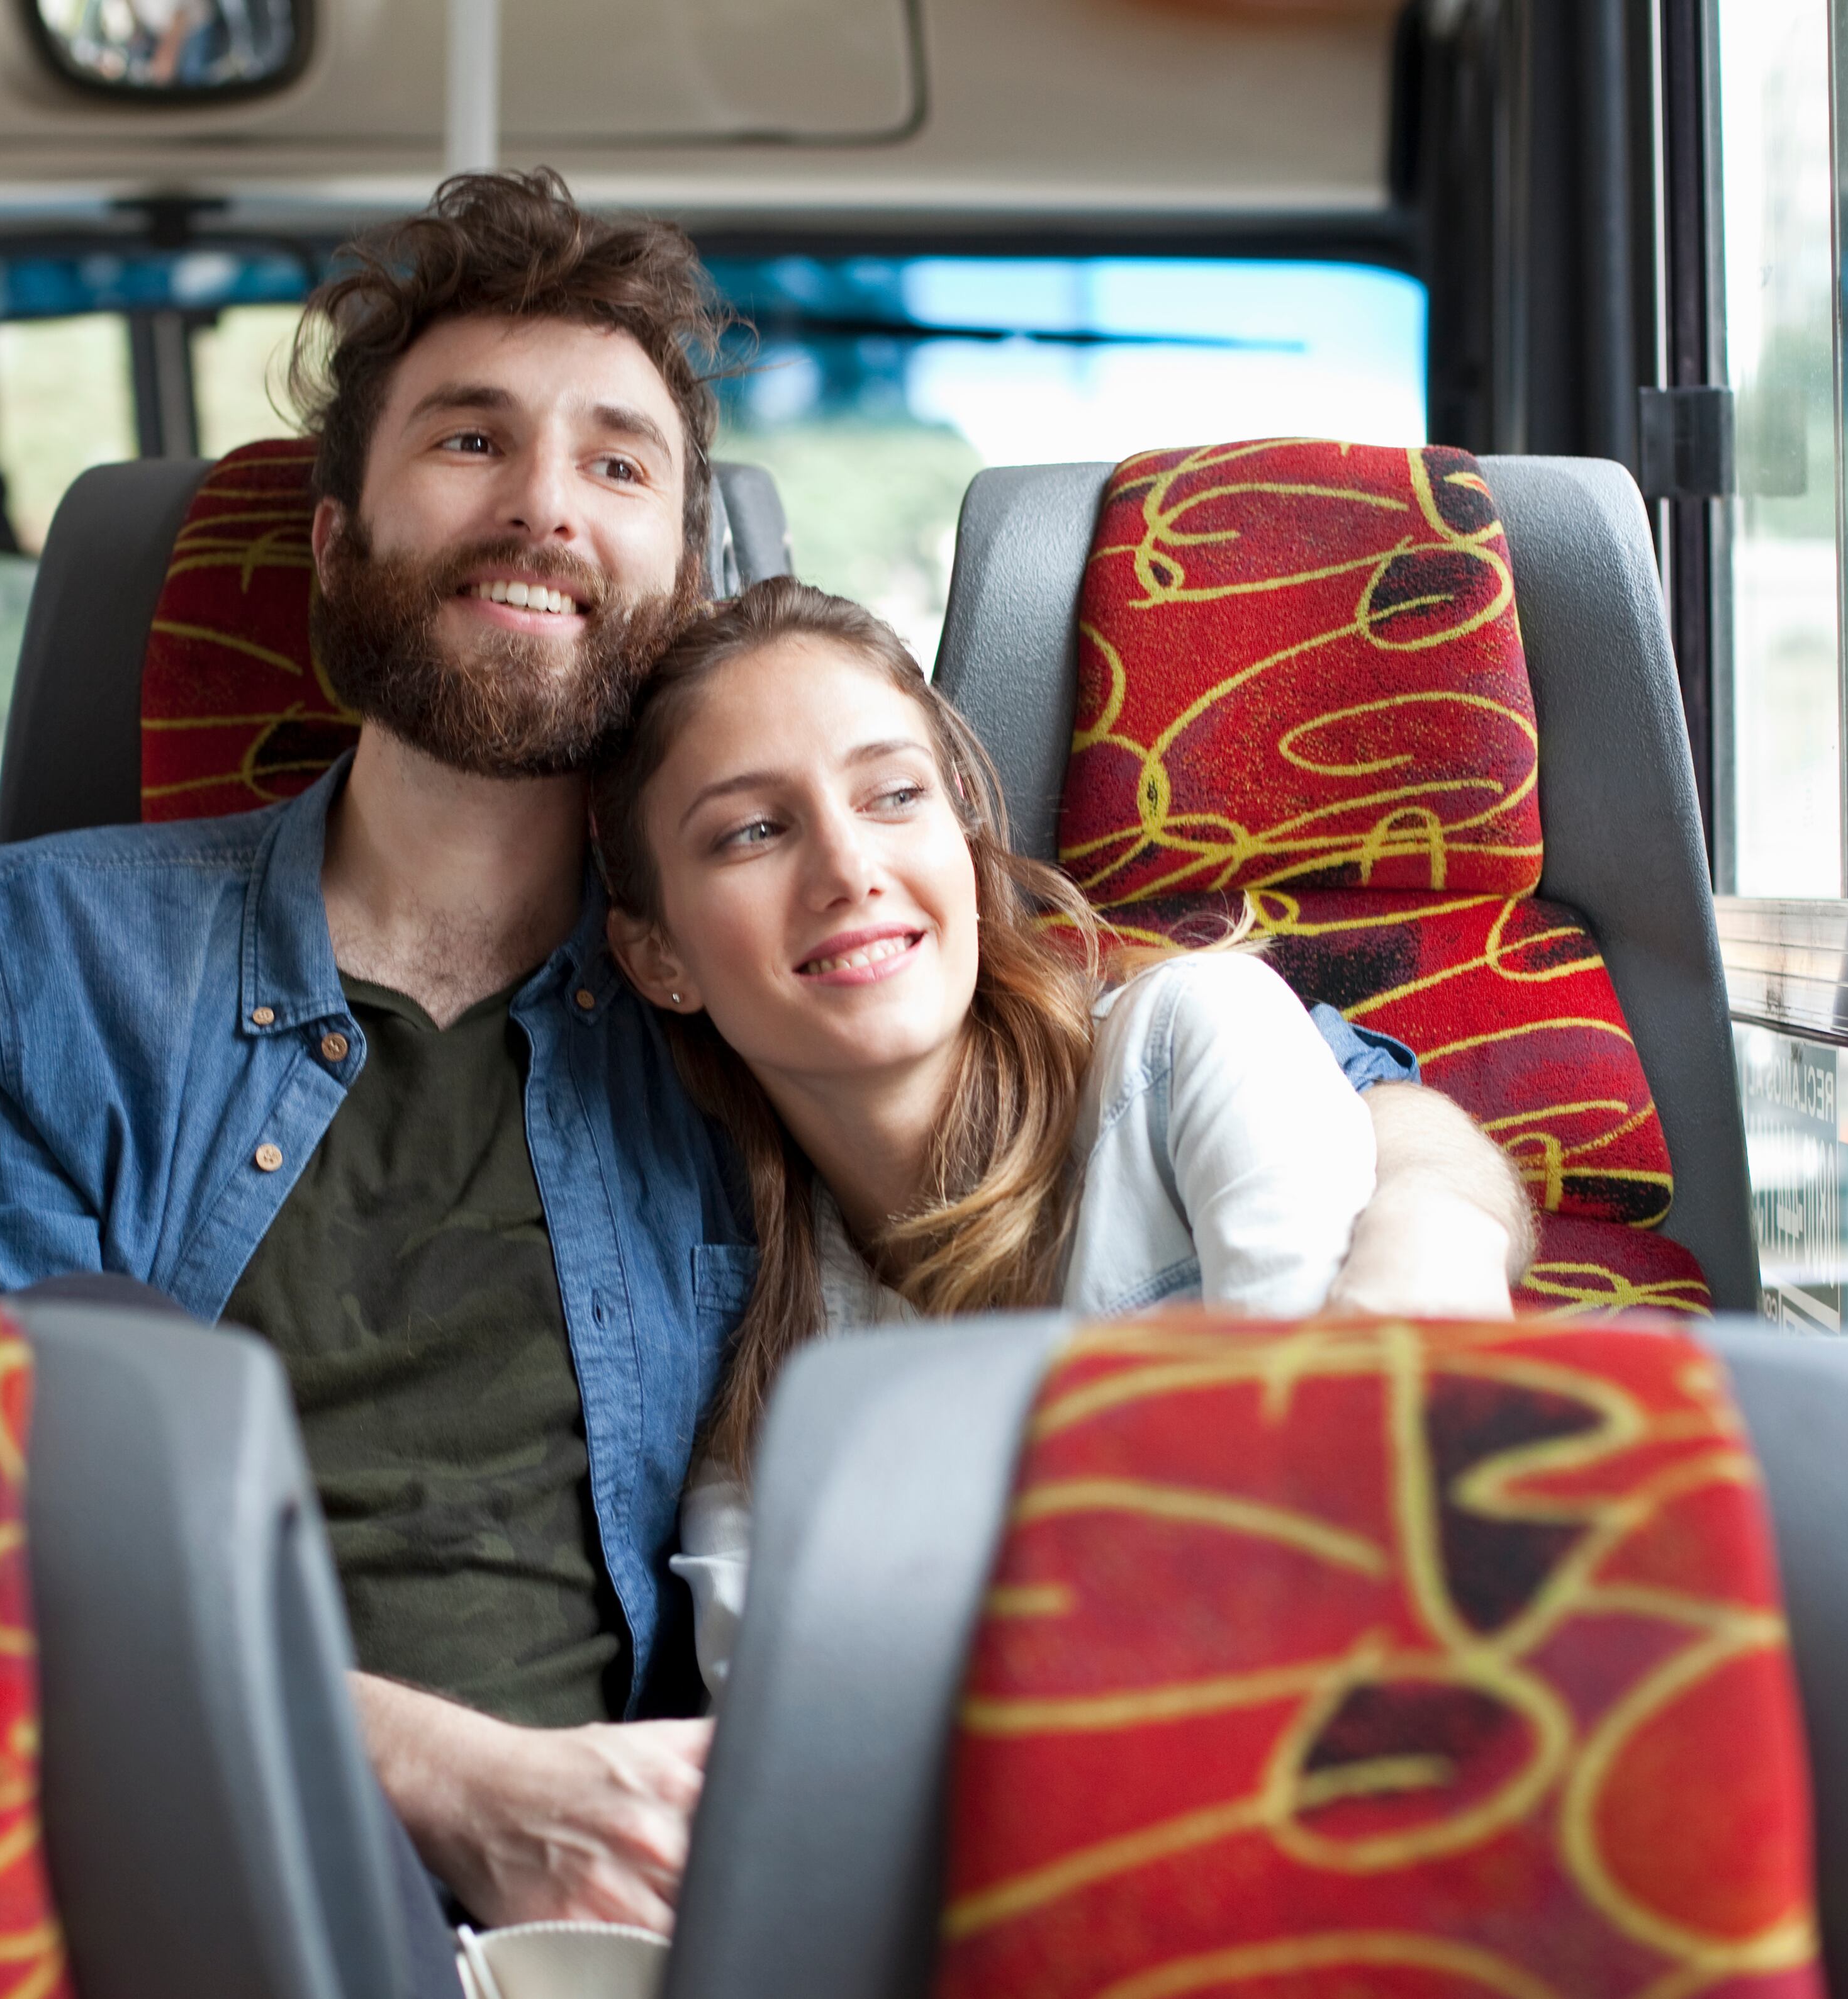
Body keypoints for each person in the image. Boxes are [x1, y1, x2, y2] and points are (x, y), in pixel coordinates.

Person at [0, 168, 1523, 1933]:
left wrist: (1395, 1308)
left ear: (687, 566)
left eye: (619, 463)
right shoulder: (28, 966)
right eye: (470, 442)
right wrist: (453, 1782)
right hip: (147, 1860)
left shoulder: (766, 975)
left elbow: (1317, 1076)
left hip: (645, 1911)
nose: (547, 507)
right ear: (338, 549)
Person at [592, 580, 1533, 1693]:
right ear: (660, 958)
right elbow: (803, 1781)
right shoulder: (763, 1413)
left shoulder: (1193, 1045)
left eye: (894, 795)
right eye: (753, 830)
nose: (849, 870)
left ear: (965, 838)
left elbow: (1342, 1543)